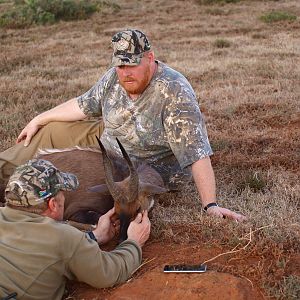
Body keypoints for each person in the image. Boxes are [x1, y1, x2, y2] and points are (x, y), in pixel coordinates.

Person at [0, 29, 246, 222]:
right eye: (120, 65)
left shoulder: (174, 93)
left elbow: (196, 153)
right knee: (49, 130)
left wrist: (210, 205)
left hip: (140, 165)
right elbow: (83, 105)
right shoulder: (113, 77)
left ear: (150, 58)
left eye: (132, 64)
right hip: (109, 141)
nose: (126, 72)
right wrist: (38, 119)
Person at [0, 159, 150, 300]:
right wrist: (134, 242)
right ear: (53, 204)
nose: (64, 198)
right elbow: (110, 273)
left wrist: (93, 236)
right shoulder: (62, 237)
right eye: (63, 193)